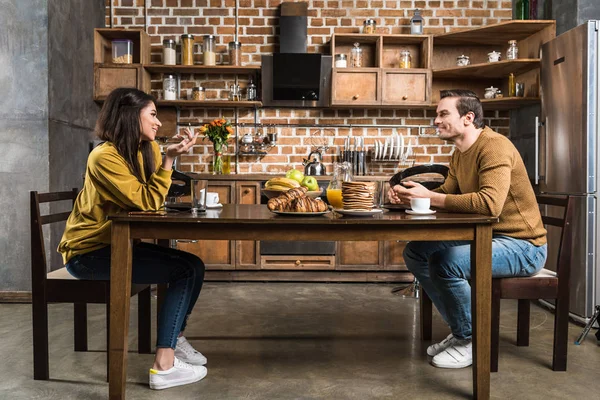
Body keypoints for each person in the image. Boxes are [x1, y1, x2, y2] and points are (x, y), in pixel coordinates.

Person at [58, 87, 208, 390]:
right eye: (152, 114)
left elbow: (149, 199)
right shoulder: (103, 157)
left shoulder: (146, 150)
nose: (158, 123)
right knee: (184, 270)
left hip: (117, 246)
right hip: (87, 255)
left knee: (194, 265)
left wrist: (166, 157)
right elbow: (147, 201)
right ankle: (164, 366)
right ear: (129, 115)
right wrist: (169, 162)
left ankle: (174, 339)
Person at [388, 89, 547, 369]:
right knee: (417, 252)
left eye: (443, 114)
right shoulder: (460, 154)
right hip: (492, 238)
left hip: (524, 247)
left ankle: (472, 339)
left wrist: (431, 197)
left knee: (446, 262)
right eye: (437, 115)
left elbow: (489, 205)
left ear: (468, 118)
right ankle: (462, 329)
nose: (435, 120)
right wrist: (410, 196)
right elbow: (447, 195)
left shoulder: (494, 147)